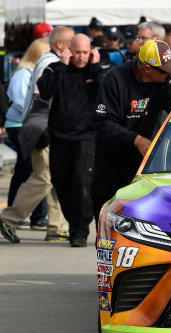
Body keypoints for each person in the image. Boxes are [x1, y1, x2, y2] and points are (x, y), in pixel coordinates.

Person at [92, 40, 171, 221]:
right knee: (106, 213)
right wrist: (136, 139)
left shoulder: (166, 78)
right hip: (112, 158)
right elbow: (102, 123)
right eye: (165, 70)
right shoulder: (114, 79)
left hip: (146, 160)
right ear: (147, 68)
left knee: (144, 216)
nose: (170, 72)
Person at [0, 27, 72, 244]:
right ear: (60, 44)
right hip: (43, 128)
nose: (75, 51)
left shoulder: (48, 61)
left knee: (53, 176)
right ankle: (9, 218)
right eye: (71, 44)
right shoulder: (50, 62)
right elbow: (43, 94)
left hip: (46, 127)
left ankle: (57, 226)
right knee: (44, 176)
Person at [37, 34, 103, 247]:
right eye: (77, 52)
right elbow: (45, 91)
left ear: (91, 51)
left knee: (82, 184)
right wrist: (62, 66)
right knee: (61, 184)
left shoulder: (96, 71)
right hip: (60, 137)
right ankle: (75, 222)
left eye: (85, 52)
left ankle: (80, 231)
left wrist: (95, 67)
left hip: (86, 137)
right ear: (69, 51)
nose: (82, 57)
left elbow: (105, 94)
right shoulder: (55, 68)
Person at [3, 39, 50, 232]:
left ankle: (35, 215)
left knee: (29, 170)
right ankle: (29, 215)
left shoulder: (34, 72)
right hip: (21, 125)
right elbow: (22, 101)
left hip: (30, 124)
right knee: (31, 171)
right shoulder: (24, 74)